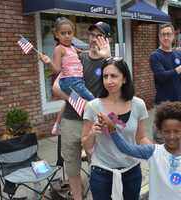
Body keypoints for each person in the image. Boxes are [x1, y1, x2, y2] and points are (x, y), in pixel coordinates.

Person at [50, 21, 112, 200]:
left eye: (99, 35)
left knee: (98, 166)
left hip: (94, 124)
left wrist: (105, 58)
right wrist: (82, 103)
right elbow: (56, 87)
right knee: (72, 167)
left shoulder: (110, 62)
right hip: (70, 121)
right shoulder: (77, 57)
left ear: (107, 40)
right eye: (92, 35)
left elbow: (118, 91)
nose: (94, 39)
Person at [82, 57, 152, 200]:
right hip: (101, 171)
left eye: (114, 76)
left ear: (124, 78)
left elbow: (140, 138)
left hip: (132, 170)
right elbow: (85, 143)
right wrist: (92, 134)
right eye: (105, 76)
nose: (109, 81)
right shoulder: (93, 106)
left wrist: (158, 152)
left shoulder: (138, 104)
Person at [109, 101, 181, 200]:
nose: (172, 136)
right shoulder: (153, 152)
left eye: (177, 131)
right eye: (167, 132)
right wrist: (112, 131)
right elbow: (126, 148)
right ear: (160, 131)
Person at [40, 17, 95, 134]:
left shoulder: (72, 48)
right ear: (57, 35)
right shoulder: (59, 49)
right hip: (70, 81)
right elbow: (57, 70)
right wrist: (48, 62)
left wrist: (92, 51)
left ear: (73, 33)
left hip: (77, 81)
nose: (66, 36)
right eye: (63, 33)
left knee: (81, 105)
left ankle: (87, 128)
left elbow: (83, 53)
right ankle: (104, 123)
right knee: (92, 100)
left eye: (69, 33)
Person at [149, 23, 181, 142]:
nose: (166, 37)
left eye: (168, 34)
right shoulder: (155, 56)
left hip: (178, 103)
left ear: (173, 36)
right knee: (160, 138)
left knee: (177, 136)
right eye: (163, 34)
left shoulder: (178, 54)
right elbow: (161, 76)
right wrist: (177, 70)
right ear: (159, 36)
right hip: (163, 104)